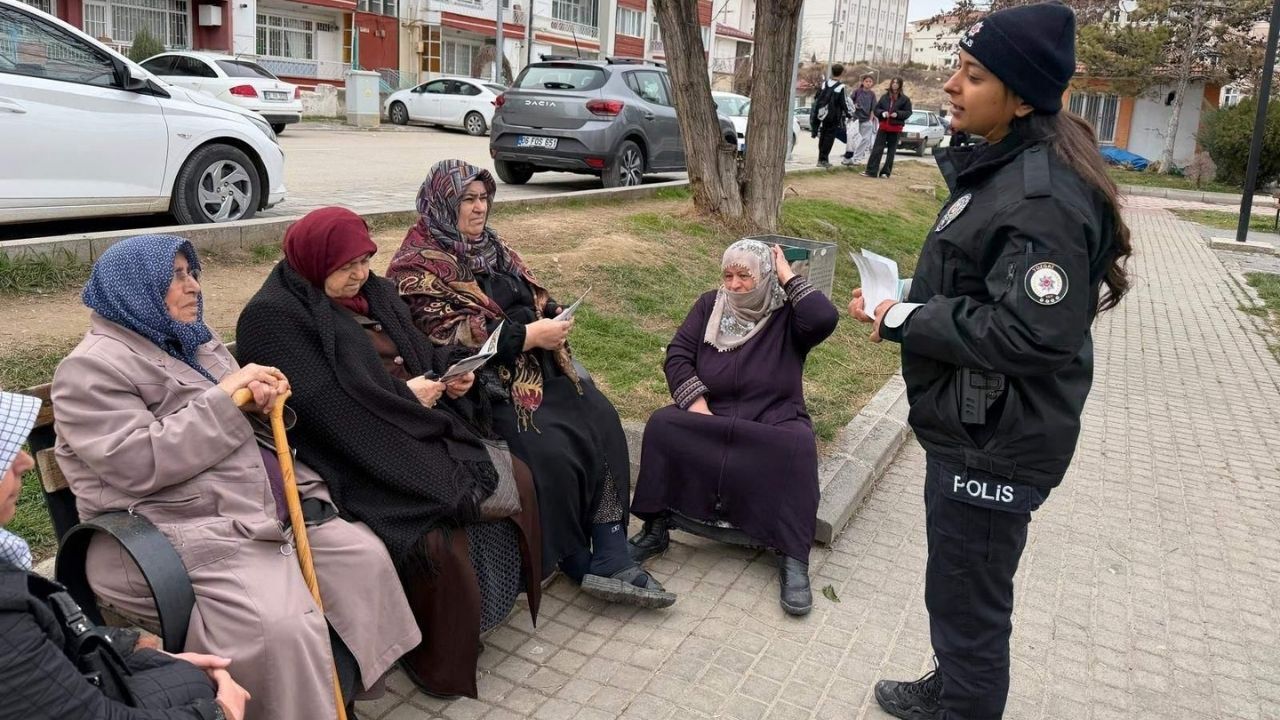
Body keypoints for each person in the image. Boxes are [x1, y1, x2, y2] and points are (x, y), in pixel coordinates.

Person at [848, 3, 1132, 718]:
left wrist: (908, 318)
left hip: (995, 443)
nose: (950, 85)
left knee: (971, 604)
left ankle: (963, 697)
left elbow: (1033, 334)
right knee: (958, 587)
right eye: (956, 70)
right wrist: (904, 306)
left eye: (973, 75)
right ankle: (950, 683)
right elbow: (983, 285)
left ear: (1023, 94)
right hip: (977, 428)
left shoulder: (1042, 195)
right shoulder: (1007, 168)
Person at [51, 235, 421, 720]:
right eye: (177, 275)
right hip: (178, 526)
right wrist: (227, 400)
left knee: (364, 558)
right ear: (136, 288)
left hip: (255, 502)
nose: (193, 286)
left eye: (193, 272)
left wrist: (265, 398)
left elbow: (235, 409)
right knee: (283, 626)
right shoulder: (89, 369)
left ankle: (340, 698)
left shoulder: (192, 340)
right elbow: (136, 461)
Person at [233, 207, 543, 699]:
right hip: (352, 450)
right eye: (346, 265)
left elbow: (419, 349)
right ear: (314, 262)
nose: (360, 274)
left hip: (407, 423)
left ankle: (490, 607)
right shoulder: (273, 317)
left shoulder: (373, 292)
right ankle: (439, 660)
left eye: (364, 260)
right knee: (435, 534)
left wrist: (451, 371)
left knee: (517, 475)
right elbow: (322, 407)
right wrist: (408, 398)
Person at [387, 159, 675, 609]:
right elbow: (446, 337)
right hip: (481, 389)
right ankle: (578, 556)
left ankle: (611, 545)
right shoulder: (415, 267)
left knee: (601, 421)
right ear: (443, 202)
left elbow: (531, 293)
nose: (479, 208)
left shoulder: (493, 248)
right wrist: (527, 334)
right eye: (468, 199)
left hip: (536, 371)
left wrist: (551, 315)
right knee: (551, 448)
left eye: (485, 198)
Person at [1, 390, 253, 720]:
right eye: (4, 456)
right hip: (149, 536)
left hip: (217, 522)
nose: (26, 461)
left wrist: (129, 653)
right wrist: (221, 714)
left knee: (191, 678)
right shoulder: (89, 373)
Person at [627, 241, 838, 616]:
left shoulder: (788, 313)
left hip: (773, 416)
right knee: (662, 425)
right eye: (729, 275)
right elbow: (678, 355)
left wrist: (788, 276)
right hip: (714, 411)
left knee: (799, 446)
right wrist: (697, 406)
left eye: (745, 275)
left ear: (766, 276)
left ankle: (792, 556)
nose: (735, 285)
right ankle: (656, 527)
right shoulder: (710, 304)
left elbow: (823, 319)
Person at [863, 77, 911, 179]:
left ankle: (885, 172)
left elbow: (908, 112)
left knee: (891, 151)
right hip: (884, 127)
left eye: (897, 83)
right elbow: (876, 109)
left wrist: (897, 114)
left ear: (900, 85)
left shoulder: (905, 99)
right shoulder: (885, 97)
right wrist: (882, 113)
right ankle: (871, 171)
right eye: (893, 82)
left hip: (895, 128)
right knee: (877, 149)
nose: (894, 84)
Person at [810, 64, 850, 168]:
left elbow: (817, 97)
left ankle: (821, 159)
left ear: (832, 72)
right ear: (841, 73)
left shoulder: (824, 84)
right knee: (829, 138)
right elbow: (844, 103)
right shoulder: (841, 87)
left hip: (822, 115)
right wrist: (850, 114)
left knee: (823, 136)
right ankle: (824, 160)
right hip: (833, 116)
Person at [842, 74, 878, 165]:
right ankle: (848, 157)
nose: (868, 83)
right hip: (855, 119)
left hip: (866, 120)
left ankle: (857, 158)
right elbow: (849, 103)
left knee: (865, 139)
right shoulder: (857, 92)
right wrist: (855, 106)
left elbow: (873, 108)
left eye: (870, 82)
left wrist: (871, 119)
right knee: (852, 139)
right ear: (863, 82)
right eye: (867, 81)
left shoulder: (872, 94)